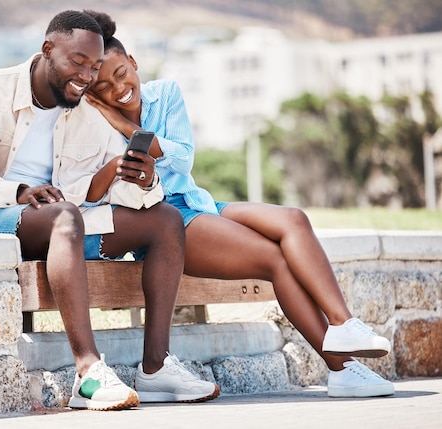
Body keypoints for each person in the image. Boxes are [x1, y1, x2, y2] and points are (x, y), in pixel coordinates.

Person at [83, 10, 395, 398]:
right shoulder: (92, 121)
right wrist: (111, 123)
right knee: (274, 259)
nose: (119, 89)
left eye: (121, 74)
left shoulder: (166, 94)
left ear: (132, 62)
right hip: (165, 221)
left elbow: (181, 159)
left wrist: (125, 124)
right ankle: (343, 370)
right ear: (93, 94)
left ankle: (344, 325)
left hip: (198, 201)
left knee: (293, 219)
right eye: (105, 87)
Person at [0, 10, 219, 411]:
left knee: (165, 220)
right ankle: (88, 372)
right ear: (48, 49)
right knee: (65, 216)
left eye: (94, 66)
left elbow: (97, 188)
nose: (86, 75)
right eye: (77, 62)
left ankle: (155, 368)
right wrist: (19, 190)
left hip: (61, 223)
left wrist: (140, 179)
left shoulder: (86, 109)